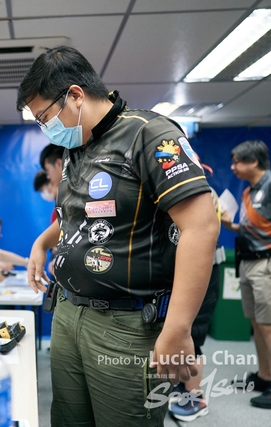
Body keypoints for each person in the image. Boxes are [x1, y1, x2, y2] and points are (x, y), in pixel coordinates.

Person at [17, 46, 219, 426]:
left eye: (45, 116)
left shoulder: (149, 134)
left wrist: (177, 327)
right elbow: (79, 216)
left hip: (125, 324)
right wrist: (41, 243)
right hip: (67, 312)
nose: (45, 128)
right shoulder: (76, 147)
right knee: (67, 418)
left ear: (75, 95)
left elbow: (202, 225)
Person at [168, 164, 225, 421]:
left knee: (194, 334)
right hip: (185, 270)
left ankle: (195, 398)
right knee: (180, 333)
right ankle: (182, 389)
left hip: (204, 272)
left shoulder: (202, 193)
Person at [221, 140, 271, 409]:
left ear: (253, 162)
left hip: (266, 265)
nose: (233, 167)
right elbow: (251, 228)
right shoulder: (249, 192)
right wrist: (229, 223)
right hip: (247, 262)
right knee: (257, 323)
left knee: (268, 325)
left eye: (238, 161)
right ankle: (265, 376)